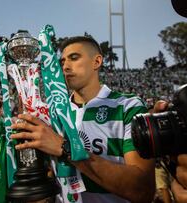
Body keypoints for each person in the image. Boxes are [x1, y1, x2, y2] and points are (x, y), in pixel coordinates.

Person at [10, 36, 155, 203]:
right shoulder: (53, 113)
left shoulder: (128, 106)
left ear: (97, 61)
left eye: (74, 58)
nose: (65, 66)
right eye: (62, 61)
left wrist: (65, 148)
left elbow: (142, 190)